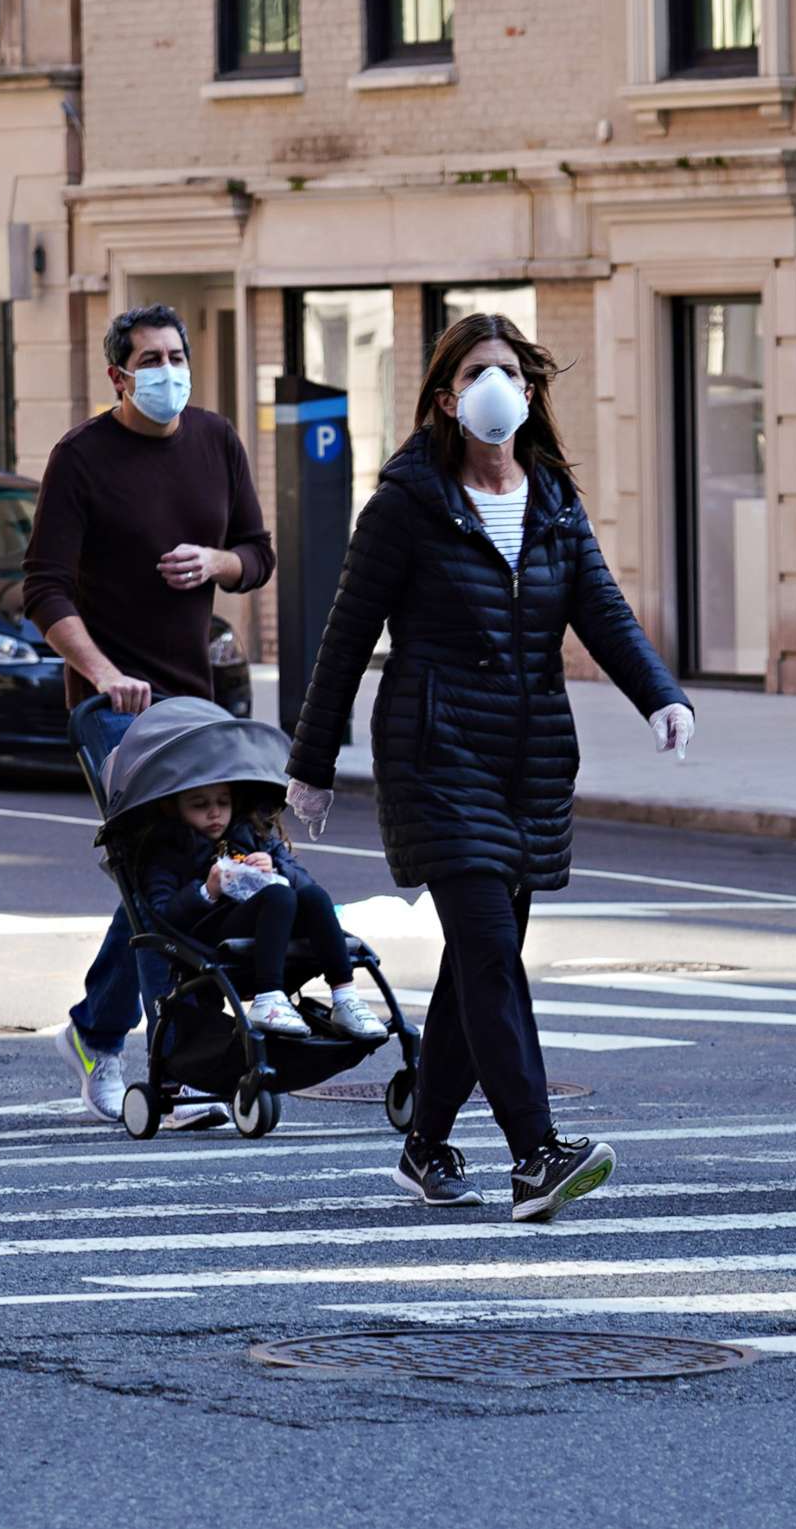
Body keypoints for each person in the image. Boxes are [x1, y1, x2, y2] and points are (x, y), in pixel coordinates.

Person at [286, 313, 695, 1222]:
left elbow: (602, 607)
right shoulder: (406, 501)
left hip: (530, 755)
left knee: (482, 963)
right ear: (445, 396)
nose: (496, 384)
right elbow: (347, 634)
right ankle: (536, 1153)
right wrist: (311, 760)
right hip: (436, 753)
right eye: (478, 370)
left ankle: (425, 1145)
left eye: (510, 369)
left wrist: (662, 694)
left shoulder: (549, 496)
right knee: (490, 953)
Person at [22, 302, 276, 1122]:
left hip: (194, 702)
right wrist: (101, 674)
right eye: (151, 359)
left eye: (177, 354)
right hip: (114, 706)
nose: (168, 370)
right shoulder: (82, 457)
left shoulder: (215, 438)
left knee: (178, 870)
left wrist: (219, 561)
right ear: (118, 375)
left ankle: (97, 1029)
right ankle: (176, 1059)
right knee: (158, 859)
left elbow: (258, 554)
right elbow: (44, 589)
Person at [135, 780, 387, 1042]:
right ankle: (269, 998)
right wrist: (206, 891)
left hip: (271, 923)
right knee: (278, 896)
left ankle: (345, 996)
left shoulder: (254, 835)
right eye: (200, 805)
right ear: (175, 809)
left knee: (313, 896)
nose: (214, 813)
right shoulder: (167, 850)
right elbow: (162, 915)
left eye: (223, 802)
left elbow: (305, 882)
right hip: (210, 934)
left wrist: (276, 867)